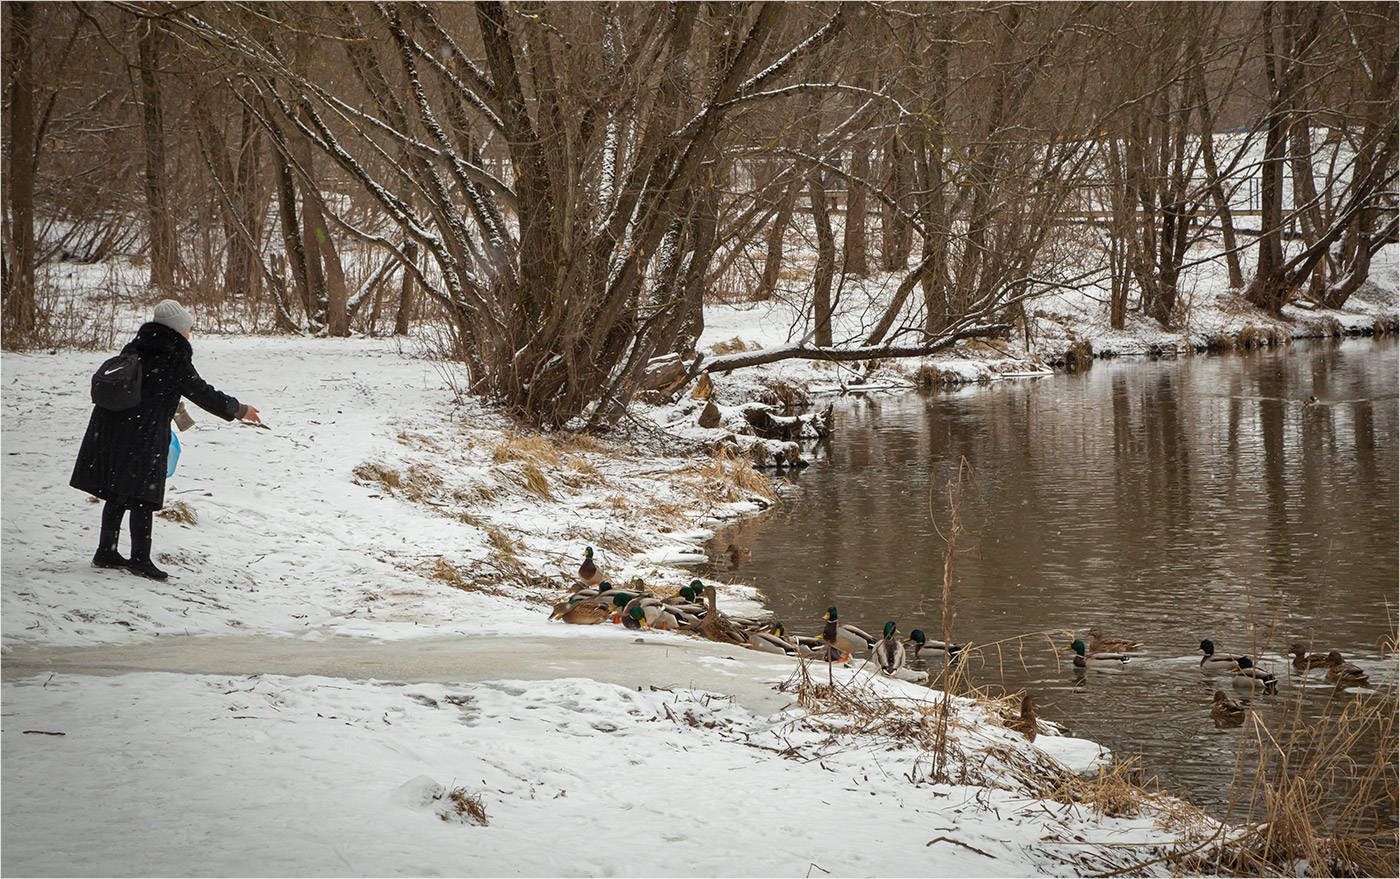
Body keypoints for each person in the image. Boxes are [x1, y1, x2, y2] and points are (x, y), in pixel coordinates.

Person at [70, 299, 262, 580]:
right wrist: (239, 409)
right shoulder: (173, 356)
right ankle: (140, 559)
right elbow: (202, 392)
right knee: (142, 495)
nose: (189, 335)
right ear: (177, 330)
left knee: (118, 490)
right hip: (143, 432)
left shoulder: (138, 346)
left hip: (114, 425)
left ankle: (107, 550)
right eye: (187, 330)